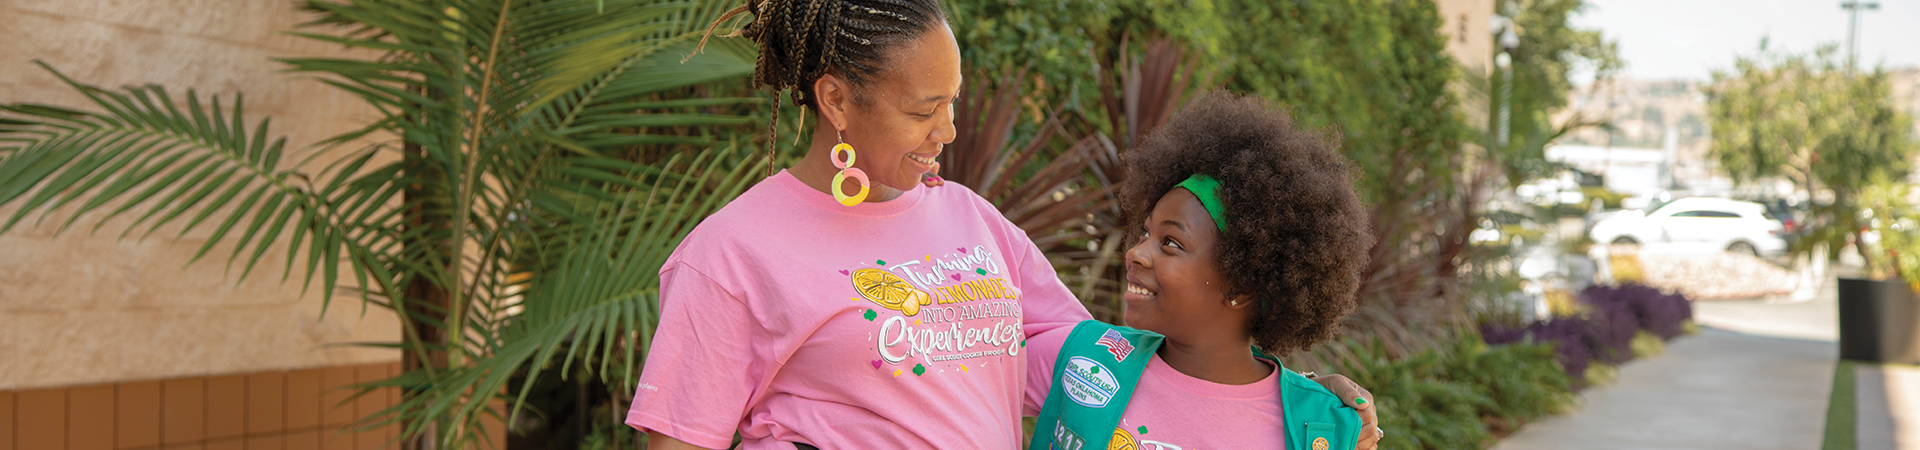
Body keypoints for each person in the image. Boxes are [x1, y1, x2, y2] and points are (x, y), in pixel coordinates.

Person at [627, 0, 1378, 447]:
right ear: (836, 100)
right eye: (923, 110)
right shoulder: (730, 255)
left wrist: (1299, 403)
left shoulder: (973, 223)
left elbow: (1114, 369)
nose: (947, 131)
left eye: (952, 101)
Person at [1023, 92, 1383, 450]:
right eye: (1147, 233)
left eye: (1171, 243)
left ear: (1241, 286)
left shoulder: (1317, 430)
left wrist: (1311, 402)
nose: (1135, 252)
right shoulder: (1083, 358)